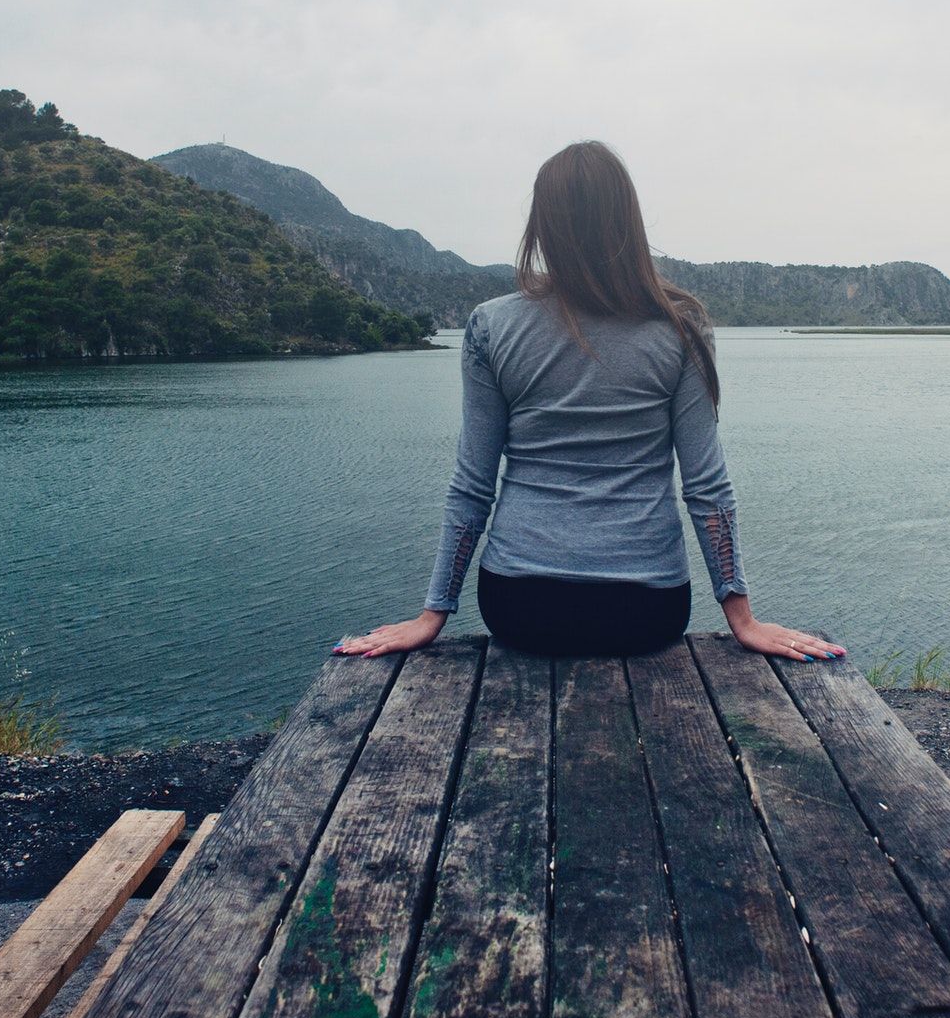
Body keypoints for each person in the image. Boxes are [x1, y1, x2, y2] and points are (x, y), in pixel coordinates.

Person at [333, 141, 845, 662]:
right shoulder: (681, 328)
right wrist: (742, 618)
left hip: (517, 606)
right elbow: (707, 486)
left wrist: (433, 613)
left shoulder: (492, 326)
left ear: (543, 225)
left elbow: (473, 483)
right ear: (627, 220)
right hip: (648, 611)